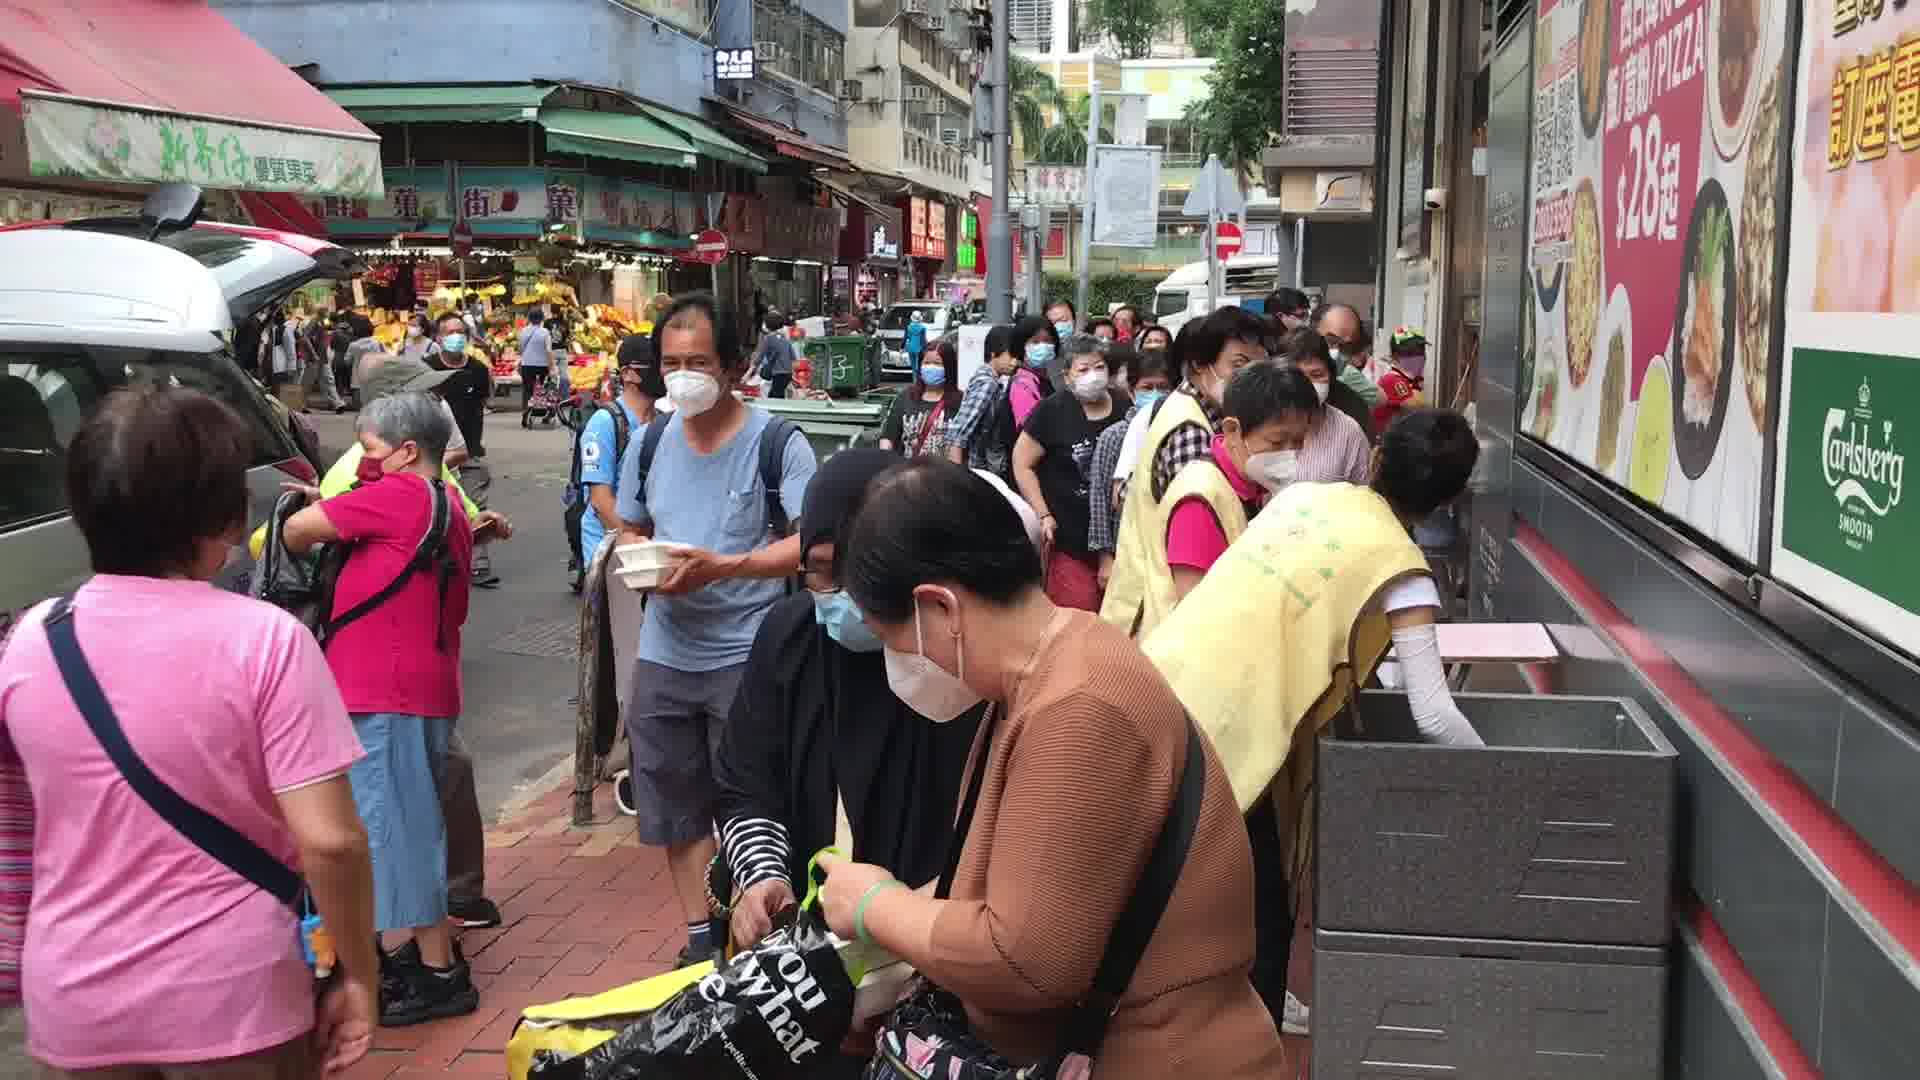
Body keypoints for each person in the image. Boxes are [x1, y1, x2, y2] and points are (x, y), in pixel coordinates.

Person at [814, 461, 1288, 1080]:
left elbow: (1025, 961)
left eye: (897, 644)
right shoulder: (1052, 667)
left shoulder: (1079, 706)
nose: (903, 665)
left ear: (940, 606)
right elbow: (1012, 886)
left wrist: (875, 905)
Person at [0, 387, 378, 1077]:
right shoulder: (267, 640)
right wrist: (359, 975)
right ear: (224, 517)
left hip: (76, 996)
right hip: (234, 999)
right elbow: (330, 841)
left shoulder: (29, 639)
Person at [1143, 408, 1486, 1035]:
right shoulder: (1402, 570)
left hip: (1158, 685)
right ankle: (1246, 1045)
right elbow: (1434, 714)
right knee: (1259, 917)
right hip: (1231, 739)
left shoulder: (1302, 499)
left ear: (1376, 457)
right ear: (1446, 502)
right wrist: (1501, 782)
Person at [714, 451, 990, 1076]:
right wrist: (761, 877)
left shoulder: (951, 658)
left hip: (940, 982)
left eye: (859, 571)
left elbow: (990, 846)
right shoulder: (789, 637)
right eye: (818, 572)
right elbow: (746, 782)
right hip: (804, 982)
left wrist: (908, 964)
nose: (842, 596)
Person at [613, 293, 817, 969]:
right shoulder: (649, 442)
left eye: (698, 362)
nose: (682, 377)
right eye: (671, 363)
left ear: (734, 365)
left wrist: (726, 566)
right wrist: (640, 557)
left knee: (753, 798)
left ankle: (759, 928)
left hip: (749, 653)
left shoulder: (777, 444)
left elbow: (813, 543)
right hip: (665, 650)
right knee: (675, 804)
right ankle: (702, 938)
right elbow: (631, 523)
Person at [280, 392, 480, 1028]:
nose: (363, 459)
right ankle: (426, 958)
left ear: (407, 450)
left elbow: (296, 533)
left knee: (398, 831)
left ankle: (439, 974)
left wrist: (319, 508)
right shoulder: (447, 502)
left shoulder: (399, 495)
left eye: (370, 449)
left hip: (387, 692)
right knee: (406, 823)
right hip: (419, 685)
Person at [1098, 307, 1268, 637]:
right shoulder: (1191, 433)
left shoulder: (1185, 406)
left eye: (1258, 366)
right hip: (1165, 614)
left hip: (1144, 603)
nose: (1250, 378)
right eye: (1238, 364)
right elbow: (1192, 542)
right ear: (1201, 365)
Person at [1013, 335, 1130, 611]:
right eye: (1083, 369)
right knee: (1077, 616)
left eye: (1099, 367)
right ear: (1067, 376)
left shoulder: (1124, 406)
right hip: (1070, 541)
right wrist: (1043, 514)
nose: (1093, 376)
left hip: (1121, 539)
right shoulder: (1052, 411)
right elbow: (1022, 463)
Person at [575, 338, 663, 581]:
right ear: (627, 374)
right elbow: (600, 500)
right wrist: (638, 546)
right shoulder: (605, 423)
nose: (663, 371)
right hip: (613, 554)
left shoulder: (663, 421)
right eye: (655, 364)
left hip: (651, 549)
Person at [429, 314, 502, 590]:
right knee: (437, 506)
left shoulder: (478, 370)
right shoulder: (428, 369)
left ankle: (479, 563)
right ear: (438, 338)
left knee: (474, 504)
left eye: (460, 332)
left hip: (469, 452)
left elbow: (483, 402)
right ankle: (439, 561)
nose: (455, 337)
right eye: (449, 332)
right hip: (435, 453)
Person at [1282, 328, 1377, 475]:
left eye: (1316, 375)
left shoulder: (1348, 431)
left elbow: (1363, 484)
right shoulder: (1259, 422)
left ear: (1330, 375)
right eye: (1297, 376)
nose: (1306, 385)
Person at [943, 323, 1017, 472]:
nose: (1014, 362)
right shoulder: (987, 384)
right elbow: (958, 432)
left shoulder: (992, 381)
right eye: (1011, 355)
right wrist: (957, 476)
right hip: (976, 468)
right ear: (993, 354)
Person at [880, 335, 961, 458]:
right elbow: (888, 436)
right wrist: (884, 459)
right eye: (927, 363)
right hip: (908, 468)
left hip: (944, 469)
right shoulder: (905, 397)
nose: (931, 367)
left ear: (949, 367)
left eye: (937, 364)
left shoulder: (960, 402)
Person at [1316, 303, 1384, 422]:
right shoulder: (1290, 364)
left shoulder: (1347, 373)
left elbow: (1380, 399)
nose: (1336, 351)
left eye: (1346, 346)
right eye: (1331, 341)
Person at [1373, 326, 1430, 431]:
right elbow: (1417, 408)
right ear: (1395, 356)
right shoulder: (1392, 379)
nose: (1418, 357)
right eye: (1411, 353)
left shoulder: (1410, 380)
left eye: (1421, 352)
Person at [518, 309, 554, 423]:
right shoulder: (545, 332)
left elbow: (520, 349)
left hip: (527, 364)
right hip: (542, 365)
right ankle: (547, 413)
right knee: (544, 389)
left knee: (527, 390)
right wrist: (552, 367)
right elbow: (548, 351)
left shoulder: (523, 331)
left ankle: (526, 411)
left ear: (529, 318)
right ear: (542, 319)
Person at [755, 312, 796, 399]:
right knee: (778, 395)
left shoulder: (768, 339)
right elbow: (793, 357)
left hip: (778, 374)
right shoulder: (785, 338)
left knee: (774, 398)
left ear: (767, 325)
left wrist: (747, 374)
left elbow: (760, 357)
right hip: (787, 374)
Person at [903, 309, 928, 376]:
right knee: (919, 366)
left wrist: (902, 347)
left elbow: (905, 338)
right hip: (919, 349)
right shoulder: (923, 328)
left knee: (913, 367)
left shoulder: (908, 327)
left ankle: (914, 380)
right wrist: (926, 348)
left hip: (910, 348)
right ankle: (918, 380)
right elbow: (923, 340)